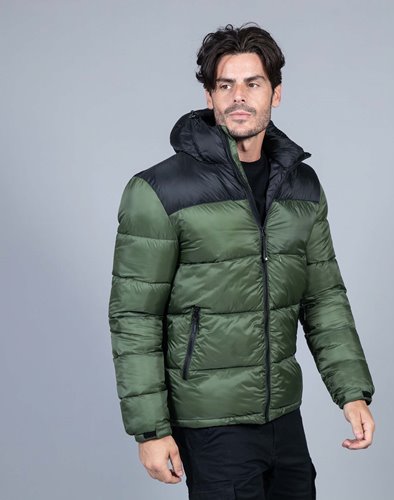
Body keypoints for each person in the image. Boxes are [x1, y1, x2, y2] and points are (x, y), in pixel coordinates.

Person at [108, 23, 375, 499]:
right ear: (209, 96)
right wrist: (150, 430)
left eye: (253, 83)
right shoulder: (159, 190)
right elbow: (134, 317)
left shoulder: (301, 186)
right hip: (210, 422)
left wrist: (351, 391)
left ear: (276, 93)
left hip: (283, 416)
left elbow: (324, 298)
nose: (239, 97)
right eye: (225, 85)